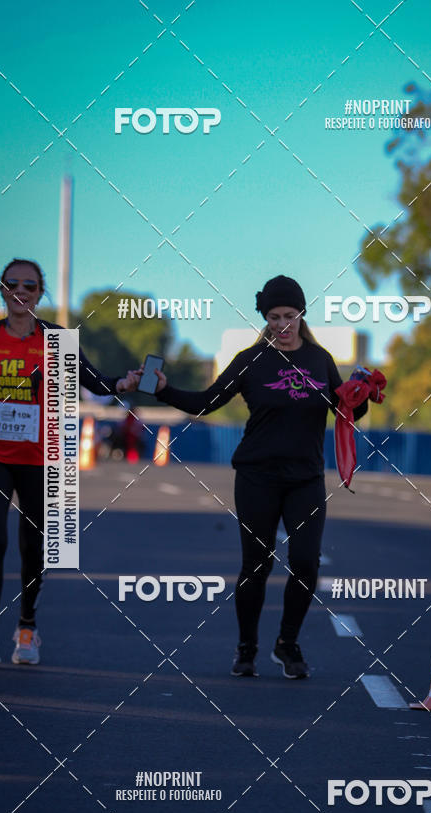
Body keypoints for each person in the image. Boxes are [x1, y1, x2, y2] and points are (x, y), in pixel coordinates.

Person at [146, 275, 368, 679]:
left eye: (290, 315)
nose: (282, 324)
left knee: (305, 563)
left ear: (302, 314)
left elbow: (346, 412)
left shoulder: (320, 361)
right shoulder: (250, 361)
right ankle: (246, 647)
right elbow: (206, 402)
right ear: (265, 318)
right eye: (274, 317)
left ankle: (287, 644)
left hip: (305, 478)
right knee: (257, 564)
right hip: (257, 476)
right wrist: (165, 390)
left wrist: (361, 394)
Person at [0, 258, 138, 665]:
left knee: (34, 543)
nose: (21, 291)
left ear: (39, 292)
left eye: (29, 285)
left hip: (40, 457)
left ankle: (27, 628)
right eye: (13, 283)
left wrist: (121, 383)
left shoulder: (55, 340)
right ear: (2, 290)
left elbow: (91, 380)